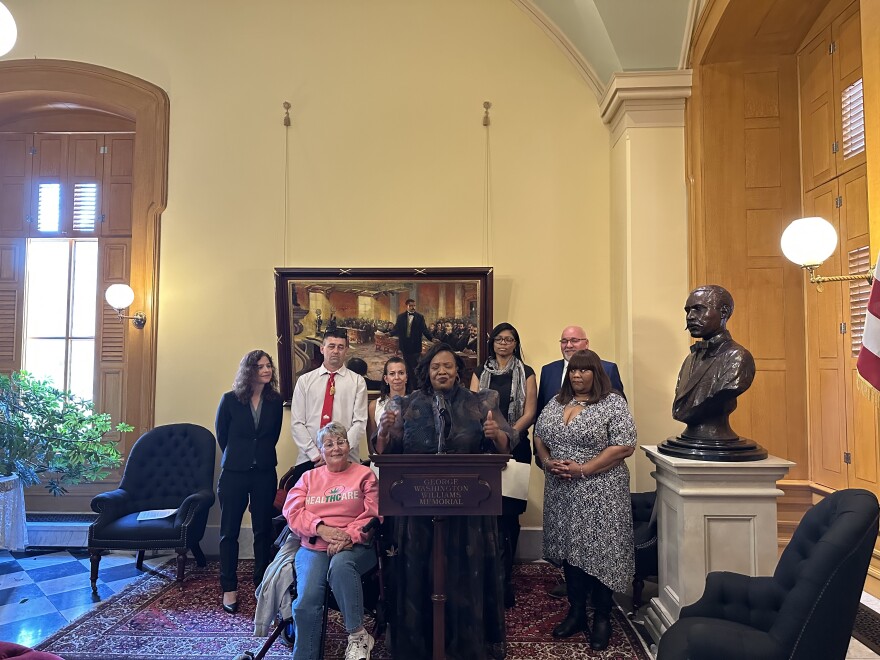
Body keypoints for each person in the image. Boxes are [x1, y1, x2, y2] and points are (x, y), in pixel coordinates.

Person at [376, 343, 514, 659]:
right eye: (436, 366)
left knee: (462, 578)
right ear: (426, 371)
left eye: (448, 366)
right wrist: (384, 433)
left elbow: (505, 446)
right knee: (420, 578)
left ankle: (464, 647)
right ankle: (421, 646)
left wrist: (496, 434)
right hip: (417, 511)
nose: (442, 371)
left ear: (457, 371)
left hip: (468, 514)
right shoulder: (407, 404)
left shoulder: (481, 402)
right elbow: (386, 450)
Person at [534, 349, 636, 651]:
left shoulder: (613, 403)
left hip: (601, 490)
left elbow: (623, 447)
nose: (577, 375)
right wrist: (547, 461)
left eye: (584, 370)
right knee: (570, 549)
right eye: (574, 371)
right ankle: (577, 612)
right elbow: (539, 436)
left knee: (600, 550)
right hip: (561, 491)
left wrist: (583, 469)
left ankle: (603, 617)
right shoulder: (557, 402)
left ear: (596, 373)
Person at [283, 422, 380, 660]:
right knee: (306, 601)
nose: (336, 448)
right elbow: (292, 511)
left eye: (341, 441)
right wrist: (321, 528)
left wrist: (349, 535)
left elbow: (373, 513)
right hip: (314, 545)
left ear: (348, 445)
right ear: (320, 449)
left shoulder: (364, 474)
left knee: (341, 566)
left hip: (355, 545)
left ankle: (357, 636)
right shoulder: (308, 477)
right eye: (329, 444)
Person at [469, 322, 537, 608]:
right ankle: (483, 578)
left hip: (517, 448)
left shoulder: (527, 372)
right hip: (483, 449)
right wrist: (492, 433)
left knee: (509, 517)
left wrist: (507, 434)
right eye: (499, 339)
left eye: (509, 340)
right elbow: (472, 407)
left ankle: (504, 579)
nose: (504, 344)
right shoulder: (478, 372)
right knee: (484, 513)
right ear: (492, 342)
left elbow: (530, 410)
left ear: (515, 343)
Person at [215, 350, 284, 614]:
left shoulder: (275, 401)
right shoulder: (230, 400)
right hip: (234, 472)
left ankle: (261, 583)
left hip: (264, 471)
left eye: (269, 366)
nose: (267, 370)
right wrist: (240, 457)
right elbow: (223, 435)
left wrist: (257, 456)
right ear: (249, 371)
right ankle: (229, 587)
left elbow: (272, 436)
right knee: (229, 532)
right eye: (261, 366)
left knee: (262, 530)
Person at [673, 285, 755, 439]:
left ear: (723, 312)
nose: (690, 316)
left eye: (698, 309)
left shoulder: (738, 358)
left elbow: (726, 391)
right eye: (688, 310)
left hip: (718, 437)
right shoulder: (690, 359)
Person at [290, 331, 368, 485]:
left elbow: (359, 423)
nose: (335, 351)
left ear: (346, 350)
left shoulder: (357, 382)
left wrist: (338, 451)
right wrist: (316, 454)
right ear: (322, 348)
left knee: (345, 508)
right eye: (331, 346)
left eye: (340, 347)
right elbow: (297, 423)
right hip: (310, 459)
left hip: (346, 461)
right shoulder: (305, 381)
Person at [536, 325, 625, 415]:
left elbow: (620, 410)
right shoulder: (548, 371)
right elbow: (540, 411)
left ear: (586, 344)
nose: (568, 345)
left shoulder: (607, 369)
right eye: (564, 341)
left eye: (574, 340)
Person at [366, 356, 408, 448]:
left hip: (410, 458)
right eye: (392, 374)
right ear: (386, 379)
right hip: (381, 458)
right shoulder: (374, 406)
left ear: (406, 377)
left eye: (401, 373)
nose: (397, 378)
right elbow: (372, 443)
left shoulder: (415, 402)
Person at [390, 298, 433, 380]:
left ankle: (417, 383)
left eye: (414, 306)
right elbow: (396, 329)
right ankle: (409, 382)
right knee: (407, 364)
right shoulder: (400, 317)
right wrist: (389, 333)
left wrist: (431, 338)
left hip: (416, 345)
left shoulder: (420, 317)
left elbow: (424, 330)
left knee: (416, 365)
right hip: (405, 346)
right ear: (407, 306)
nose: (413, 307)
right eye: (411, 306)